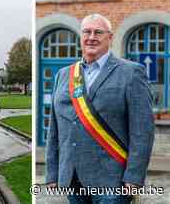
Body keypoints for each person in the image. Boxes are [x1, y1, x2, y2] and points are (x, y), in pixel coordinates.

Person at [45, 14, 155, 204]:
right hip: (72, 177)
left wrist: (134, 176)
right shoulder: (64, 75)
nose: (91, 37)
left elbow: (142, 131)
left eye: (98, 32)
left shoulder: (131, 73)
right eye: (87, 32)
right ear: (81, 37)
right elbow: (54, 128)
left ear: (110, 38)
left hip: (112, 180)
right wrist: (52, 173)